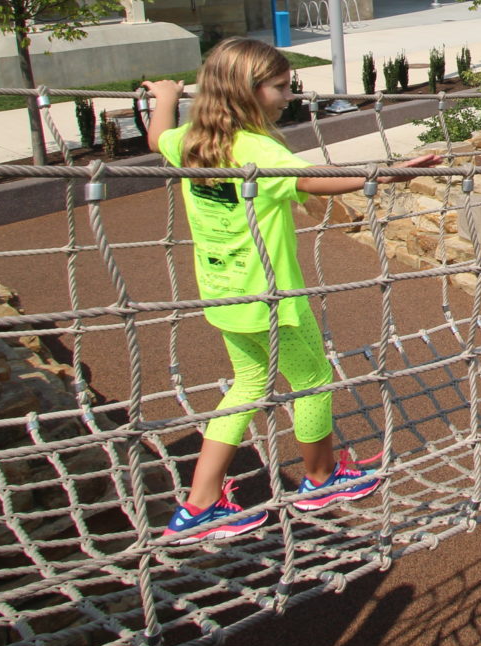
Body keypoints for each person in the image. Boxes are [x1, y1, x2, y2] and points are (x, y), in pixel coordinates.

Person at [145, 39, 442, 543]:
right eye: (280, 87)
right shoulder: (259, 150)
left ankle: (199, 504)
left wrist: (166, 96)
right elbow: (315, 181)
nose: (288, 96)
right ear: (248, 91)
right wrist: (389, 172)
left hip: (221, 291)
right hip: (271, 295)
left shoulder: (190, 142)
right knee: (313, 378)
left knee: (248, 384)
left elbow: (156, 138)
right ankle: (321, 481)